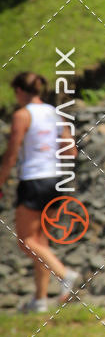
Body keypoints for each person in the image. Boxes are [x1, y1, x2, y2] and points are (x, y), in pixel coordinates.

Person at [0, 72, 79, 312]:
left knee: (26, 241)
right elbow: (71, 151)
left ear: (19, 91)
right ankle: (40, 300)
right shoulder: (54, 113)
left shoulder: (22, 115)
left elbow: (11, 154)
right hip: (55, 180)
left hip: (33, 180)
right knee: (41, 243)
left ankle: (65, 275)